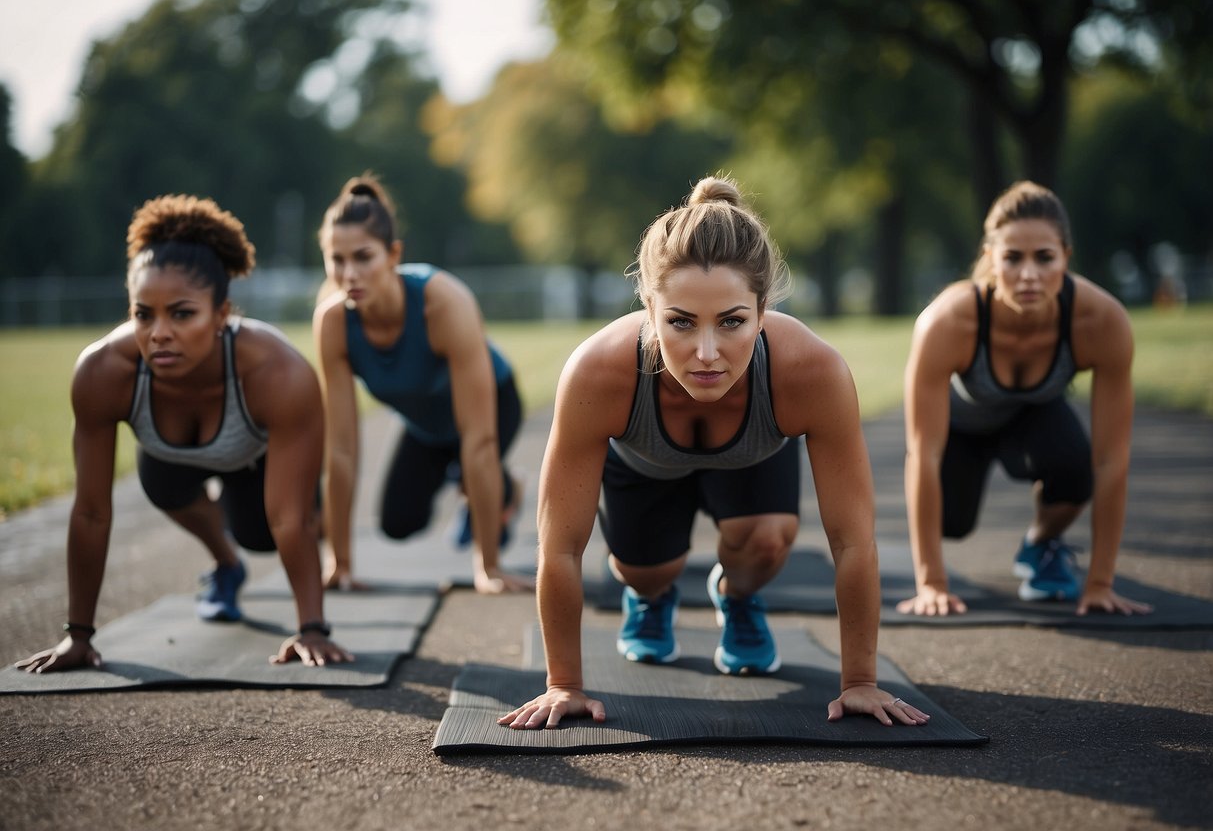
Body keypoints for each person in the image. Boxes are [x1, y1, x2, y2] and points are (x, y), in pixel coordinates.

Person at [500, 176, 930, 730]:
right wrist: (563, 684)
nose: (707, 353)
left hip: (749, 461)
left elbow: (853, 540)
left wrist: (860, 682)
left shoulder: (811, 372)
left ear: (762, 310)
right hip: (643, 467)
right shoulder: (598, 372)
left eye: (732, 322)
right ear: (649, 308)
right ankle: (650, 598)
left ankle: (737, 597)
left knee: (768, 539)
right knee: (650, 573)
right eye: (680, 322)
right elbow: (559, 548)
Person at [17, 194, 352, 673]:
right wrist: (78, 635)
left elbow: (289, 519)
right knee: (161, 481)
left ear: (222, 315)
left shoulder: (280, 373)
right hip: (171, 463)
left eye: (181, 314)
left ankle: (246, 549)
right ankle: (226, 567)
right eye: (143, 314)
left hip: (255, 462)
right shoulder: (101, 372)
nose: (158, 333)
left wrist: (312, 628)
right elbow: (91, 512)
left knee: (265, 533)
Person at [899, 180, 1153, 617]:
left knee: (1079, 469)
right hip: (962, 428)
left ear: (1066, 258)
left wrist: (1100, 583)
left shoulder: (1102, 320)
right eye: (1013, 258)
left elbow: (1113, 459)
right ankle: (962, 546)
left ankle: (1041, 544)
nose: (1029, 274)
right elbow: (923, 454)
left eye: (1045, 258)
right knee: (951, 523)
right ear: (990, 259)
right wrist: (931, 583)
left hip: (1033, 419)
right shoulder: (947, 322)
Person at [314, 175, 530, 595]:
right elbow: (340, 448)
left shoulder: (443, 302)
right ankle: (471, 488)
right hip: (426, 426)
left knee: (476, 467)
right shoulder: (334, 323)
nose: (349, 274)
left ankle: (504, 492)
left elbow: (480, 441)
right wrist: (338, 561)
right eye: (336, 260)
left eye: (363, 257)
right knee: (398, 523)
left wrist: (488, 567)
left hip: (492, 406)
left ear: (393, 254)